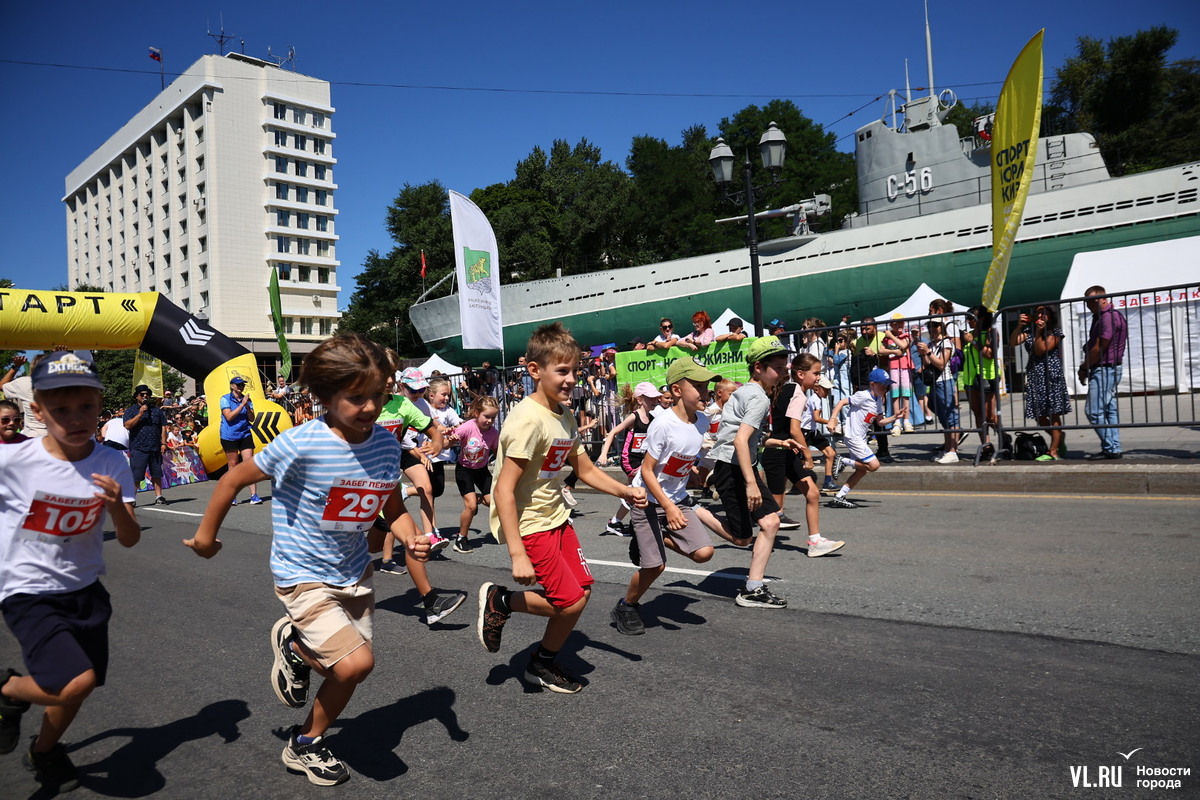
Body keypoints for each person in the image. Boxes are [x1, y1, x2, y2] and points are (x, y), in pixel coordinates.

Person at [184, 333, 429, 787]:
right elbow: (232, 480)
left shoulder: (384, 445)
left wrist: (412, 538)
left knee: (348, 673)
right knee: (356, 664)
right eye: (356, 397)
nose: (371, 407)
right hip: (303, 574)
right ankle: (298, 651)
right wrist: (205, 537)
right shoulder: (300, 444)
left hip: (354, 572)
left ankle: (305, 738)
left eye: (378, 395)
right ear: (325, 397)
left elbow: (392, 507)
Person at [476, 322, 647, 693]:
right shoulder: (527, 421)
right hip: (529, 524)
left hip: (556, 517)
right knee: (566, 602)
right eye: (562, 371)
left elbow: (584, 469)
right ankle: (501, 600)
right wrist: (516, 553)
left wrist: (624, 490)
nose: (571, 379)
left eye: (575, 371)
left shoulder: (564, 415)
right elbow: (503, 490)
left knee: (581, 594)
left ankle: (542, 662)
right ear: (535, 370)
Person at [0, 351, 139, 794]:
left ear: (100, 406)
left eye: (86, 407)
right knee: (73, 681)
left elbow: (130, 539)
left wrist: (116, 507)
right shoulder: (12, 462)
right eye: (61, 409)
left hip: (85, 589)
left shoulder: (112, 463)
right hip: (28, 591)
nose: (76, 418)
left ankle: (43, 750)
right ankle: (7, 690)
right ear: (38, 411)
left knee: (81, 685)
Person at [611, 357, 722, 635]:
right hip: (647, 500)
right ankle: (626, 605)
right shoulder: (662, 424)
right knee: (655, 566)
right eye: (698, 386)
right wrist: (668, 507)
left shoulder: (702, 421)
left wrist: (691, 471)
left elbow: (679, 457)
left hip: (676, 496)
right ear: (676, 390)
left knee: (704, 553)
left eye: (706, 386)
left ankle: (652, 538)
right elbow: (648, 471)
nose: (705, 391)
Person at [709, 336, 790, 608]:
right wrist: (751, 484)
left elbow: (744, 434)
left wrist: (777, 442)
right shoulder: (758, 398)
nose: (783, 372)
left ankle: (753, 589)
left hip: (735, 465)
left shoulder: (743, 392)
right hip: (734, 468)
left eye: (784, 367)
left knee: (770, 523)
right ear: (758, 367)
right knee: (744, 537)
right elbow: (740, 440)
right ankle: (691, 508)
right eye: (777, 368)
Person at [779, 355, 846, 555]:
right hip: (779, 452)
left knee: (812, 494)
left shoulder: (790, 390)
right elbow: (794, 429)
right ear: (800, 374)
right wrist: (807, 455)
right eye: (816, 373)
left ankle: (815, 541)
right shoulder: (797, 394)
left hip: (785, 451)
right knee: (770, 514)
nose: (818, 377)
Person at [827, 368, 903, 509]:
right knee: (874, 465)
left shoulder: (879, 399)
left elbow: (880, 422)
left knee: (862, 470)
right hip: (853, 436)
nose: (885, 387)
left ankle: (839, 497)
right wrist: (833, 419)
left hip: (860, 438)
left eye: (887, 385)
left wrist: (895, 417)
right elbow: (842, 402)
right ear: (872, 384)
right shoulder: (863, 395)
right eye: (882, 384)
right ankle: (843, 460)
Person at [596, 382, 659, 537]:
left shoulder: (652, 419)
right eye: (650, 398)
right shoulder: (634, 417)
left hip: (642, 460)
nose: (655, 401)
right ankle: (632, 512)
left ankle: (615, 522)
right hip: (630, 461)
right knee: (643, 486)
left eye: (655, 398)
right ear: (640, 400)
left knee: (637, 488)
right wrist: (604, 454)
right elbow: (613, 432)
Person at [1011, 305, 1072, 460]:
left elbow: (1040, 350)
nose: (1039, 316)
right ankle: (1059, 437)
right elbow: (1013, 342)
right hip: (1035, 375)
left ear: (1050, 316)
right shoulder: (1029, 331)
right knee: (1039, 415)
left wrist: (1039, 332)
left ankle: (1053, 451)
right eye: (1037, 313)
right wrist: (1019, 326)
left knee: (1053, 413)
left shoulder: (1055, 332)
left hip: (1050, 375)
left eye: (1043, 314)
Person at [1079, 286, 1128, 460]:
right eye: (1086, 301)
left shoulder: (1108, 317)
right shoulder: (1102, 316)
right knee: (1108, 410)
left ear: (1104, 298)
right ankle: (1113, 447)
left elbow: (1100, 347)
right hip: (1107, 368)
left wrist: (1084, 367)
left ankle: (1111, 448)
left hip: (1105, 368)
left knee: (1093, 411)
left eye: (1093, 301)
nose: (1089, 304)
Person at [453, 397, 500, 553]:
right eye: (486, 416)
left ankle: (476, 498)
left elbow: (498, 452)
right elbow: (447, 443)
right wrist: (449, 440)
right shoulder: (467, 427)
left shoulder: (493, 433)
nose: (489, 421)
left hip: (481, 470)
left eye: (493, 417)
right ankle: (461, 539)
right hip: (464, 470)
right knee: (471, 506)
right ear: (476, 413)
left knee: (495, 502)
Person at [917, 320, 961, 463]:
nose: (932, 329)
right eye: (929, 326)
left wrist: (928, 352)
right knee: (944, 417)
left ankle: (953, 451)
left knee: (950, 417)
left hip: (945, 381)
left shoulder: (946, 343)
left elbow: (941, 364)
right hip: (935, 382)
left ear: (941, 327)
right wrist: (923, 354)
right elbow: (928, 364)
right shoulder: (931, 344)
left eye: (935, 326)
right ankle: (947, 449)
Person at [852, 318, 892, 462]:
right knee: (862, 418)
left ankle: (884, 450)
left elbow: (890, 358)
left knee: (878, 418)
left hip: (879, 384)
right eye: (862, 329)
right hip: (864, 384)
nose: (864, 332)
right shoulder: (857, 342)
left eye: (867, 329)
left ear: (874, 327)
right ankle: (861, 450)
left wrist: (875, 355)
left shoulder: (882, 337)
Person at [961, 306, 1001, 448]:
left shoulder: (990, 332)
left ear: (981, 319)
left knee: (989, 416)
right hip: (970, 379)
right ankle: (986, 445)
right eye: (967, 318)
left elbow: (990, 354)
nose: (968, 321)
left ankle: (1003, 437)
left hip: (987, 377)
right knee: (978, 413)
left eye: (971, 318)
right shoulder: (969, 335)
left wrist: (973, 341)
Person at [219, 377, 262, 506]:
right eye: (238, 385)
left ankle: (254, 495)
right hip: (230, 435)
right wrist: (242, 405)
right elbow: (229, 417)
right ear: (232, 386)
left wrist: (247, 406)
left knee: (249, 464)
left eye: (242, 385)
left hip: (245, 433)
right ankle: (232, 495)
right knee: (233, 465)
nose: (241, 387)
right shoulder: (225, 399)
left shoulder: (247, 400)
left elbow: (252, 418)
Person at [123, 384, 169, 506]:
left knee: (157, 473)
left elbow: (163, 427)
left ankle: (159, 496)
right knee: (136, 474)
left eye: (147, 394)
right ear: (136, 396)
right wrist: (140, 414)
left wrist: (163, 443)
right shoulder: (131, 410)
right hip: (138, 447)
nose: (145, 396)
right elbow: (127, 425)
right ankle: (132, 498)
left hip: (155, 447)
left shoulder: (156, 410)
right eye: (142, 394)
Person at [880, 315, 915, 433]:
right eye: (896, 323)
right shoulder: (887, 338)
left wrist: (891, 336)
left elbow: (904, 345)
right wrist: (894, 351)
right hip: (893, 367)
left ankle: (906, 420)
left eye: (901, 323)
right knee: (895, 394)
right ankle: (897, 421)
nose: (899, 325)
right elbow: (881, 350)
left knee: (905, 394)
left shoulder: (906, 335)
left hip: (904, 367)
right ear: (891, 325)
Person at [1, 354, 48, 439]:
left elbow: (2, 385)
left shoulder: (24, 383)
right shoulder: (61, 383)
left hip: (33, 436)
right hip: (57, 436)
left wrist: (16, 366)